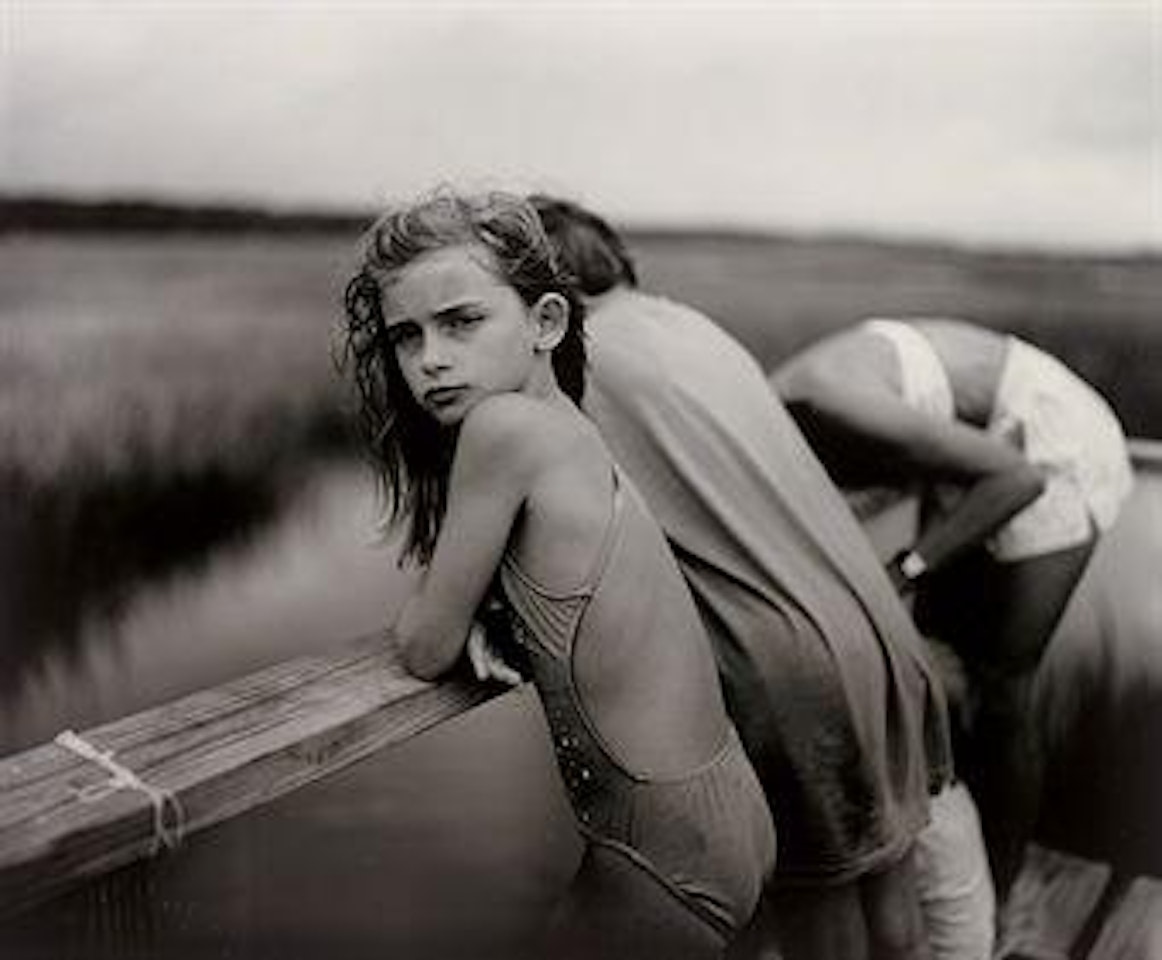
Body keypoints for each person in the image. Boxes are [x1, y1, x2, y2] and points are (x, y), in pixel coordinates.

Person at [531, 196, 976, 960]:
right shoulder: (697, 330)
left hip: (784, 664)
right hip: (878, 637)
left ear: (543, 295)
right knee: (893, 914)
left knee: (822, 929)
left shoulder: (573, 361)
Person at [335, 188, 776, 959]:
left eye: (461, 321)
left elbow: (425, 646)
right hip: (720, 807)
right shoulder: (570, 427)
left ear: (545, 322)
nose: (429, 358)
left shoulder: (502, 430)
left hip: (661, 845)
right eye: (406, 335)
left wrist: (450, 614)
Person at [772, 317, 1133, 899]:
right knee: (929, 670)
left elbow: (1017, 480)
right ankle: (942, 871)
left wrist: (906, 568)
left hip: (1046, 441)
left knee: (1002, 689)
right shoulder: (775, 415)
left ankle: (1002, 895)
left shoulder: (827, 402)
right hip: (970, 451)